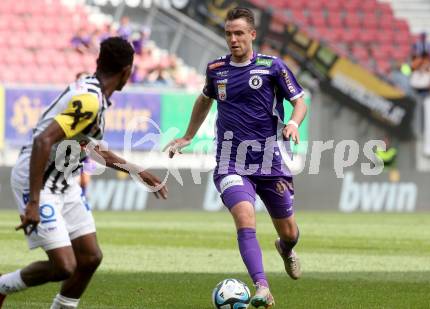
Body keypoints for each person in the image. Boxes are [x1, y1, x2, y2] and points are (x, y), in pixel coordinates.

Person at [0, 37, 168, 308]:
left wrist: (136, 170)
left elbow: (89, 146)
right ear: (127, 72)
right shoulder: (90, 100)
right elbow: (43, 141)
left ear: (98, 61)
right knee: (64, 266)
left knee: (90, 258)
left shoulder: (95, 96)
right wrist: (33, 202)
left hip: (64, 181)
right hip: (39, 182)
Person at [165, 7, 307, 308]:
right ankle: (262, 287)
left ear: (252, 34)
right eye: (228, 33)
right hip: (230, 160)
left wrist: (293, 123)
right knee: (245, 217)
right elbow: (205, 99)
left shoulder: (273, 66)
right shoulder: (216, 70)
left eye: (239, 33)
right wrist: (188, 135)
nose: (233, 39)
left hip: (270, 161)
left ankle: (286, 248)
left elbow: (299, 102)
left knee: (290, 232)